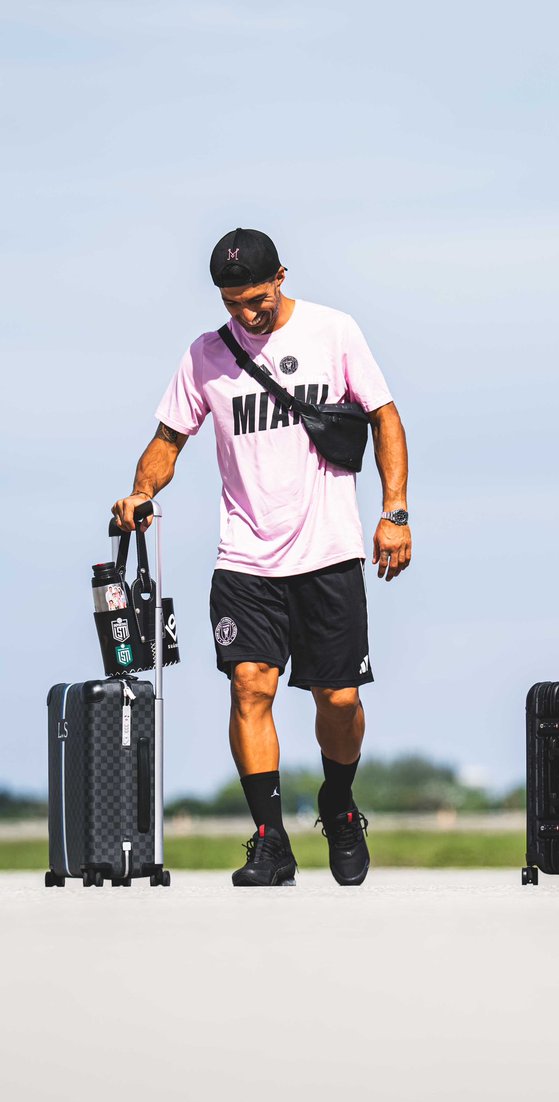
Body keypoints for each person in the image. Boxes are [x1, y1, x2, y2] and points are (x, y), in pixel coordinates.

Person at [112, 227, 411, 887]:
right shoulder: (205, 355)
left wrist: (394, 513)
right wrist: (142, 490)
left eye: (256, 300)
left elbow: (385, 417)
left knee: (337, 698)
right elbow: (167, 439)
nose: (246, 314)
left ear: (280, 277)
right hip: (245, 556)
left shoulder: (334, 331)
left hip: (328, 551)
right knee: (251, 685)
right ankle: (271, 841)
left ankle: (339, 804)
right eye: (232, 303)